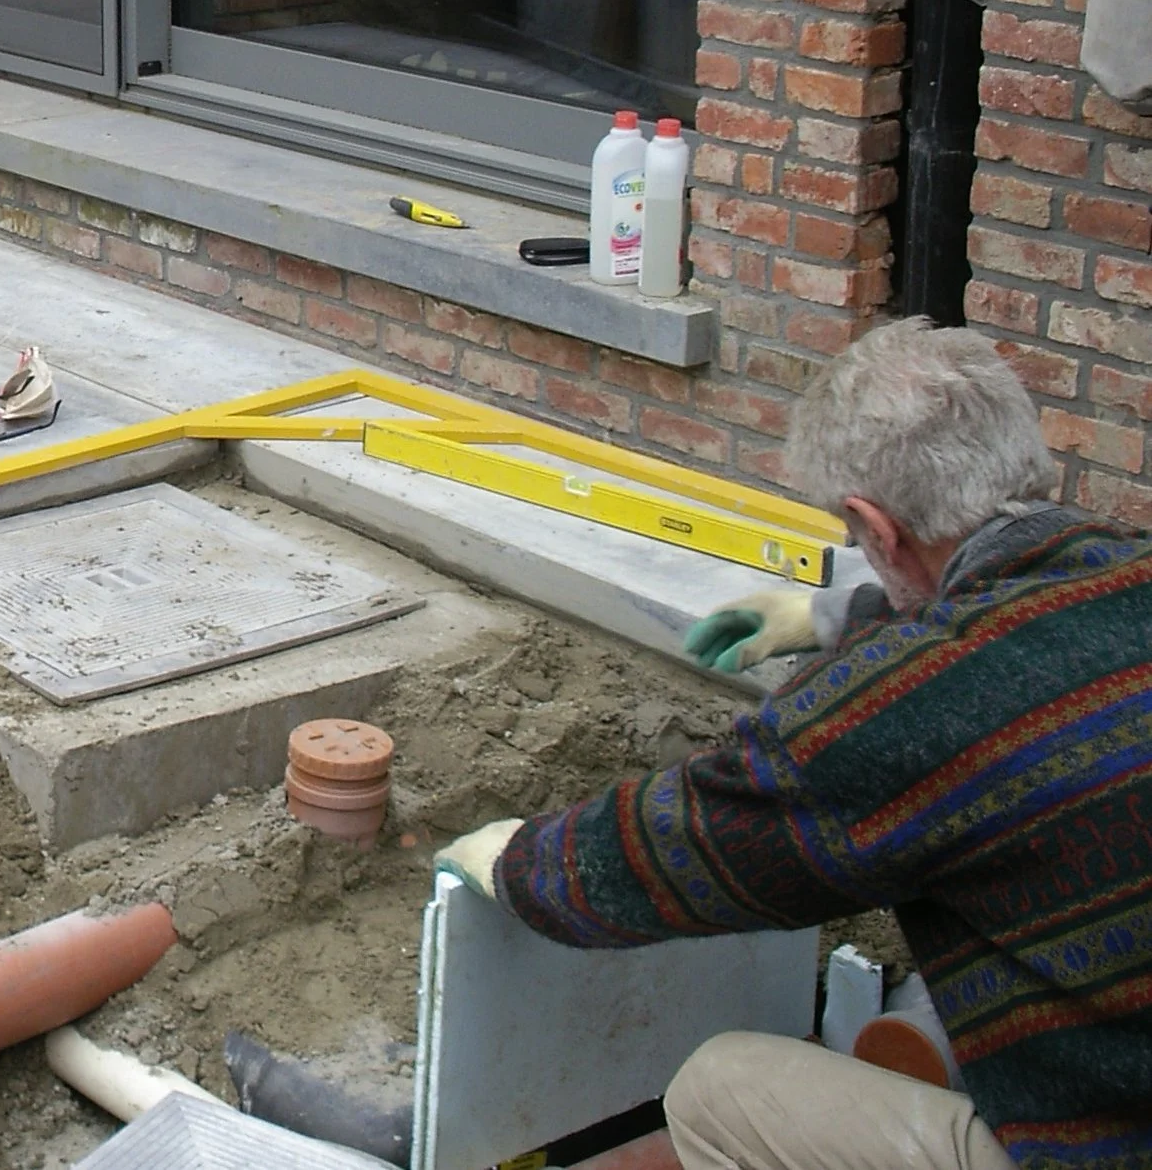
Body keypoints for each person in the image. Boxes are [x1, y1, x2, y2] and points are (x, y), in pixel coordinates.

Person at [434, 318, 1152, 1170]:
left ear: (874, 529)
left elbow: (692, 842)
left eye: (858, 545)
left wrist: (520, 862)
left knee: (719, 1086)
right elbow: (1016, 617)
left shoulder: (904, 711)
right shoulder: (1127, 568)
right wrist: (820, 615)